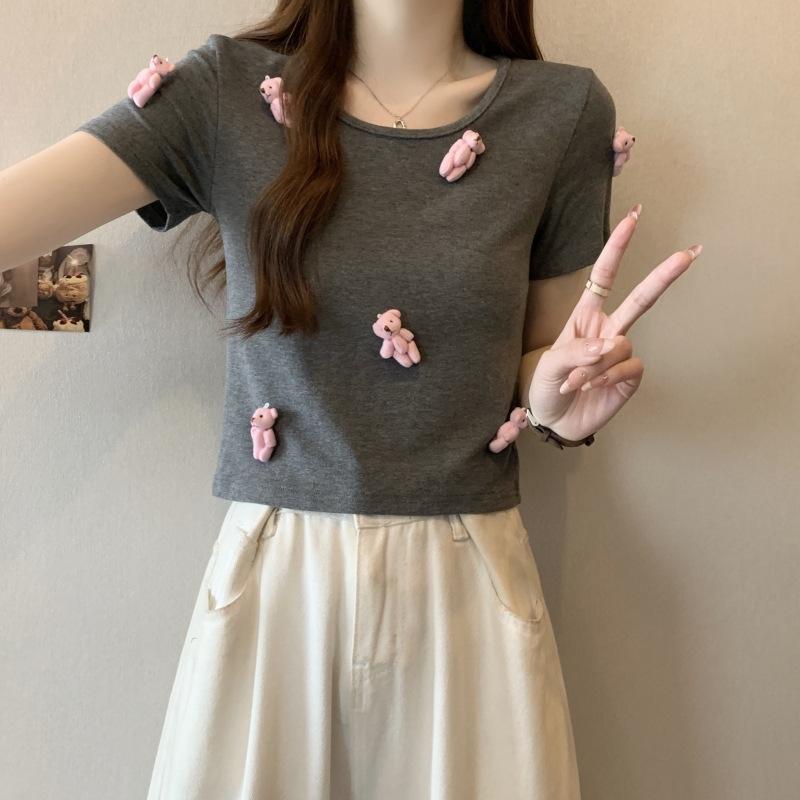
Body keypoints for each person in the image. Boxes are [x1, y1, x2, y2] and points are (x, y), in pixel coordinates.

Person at [0, 1, 703, 797]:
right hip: (278, 581)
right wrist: (57, 302)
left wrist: (553, 409)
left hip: (469, 577)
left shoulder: (561, 112)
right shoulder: (226, 92)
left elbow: (545, 360)